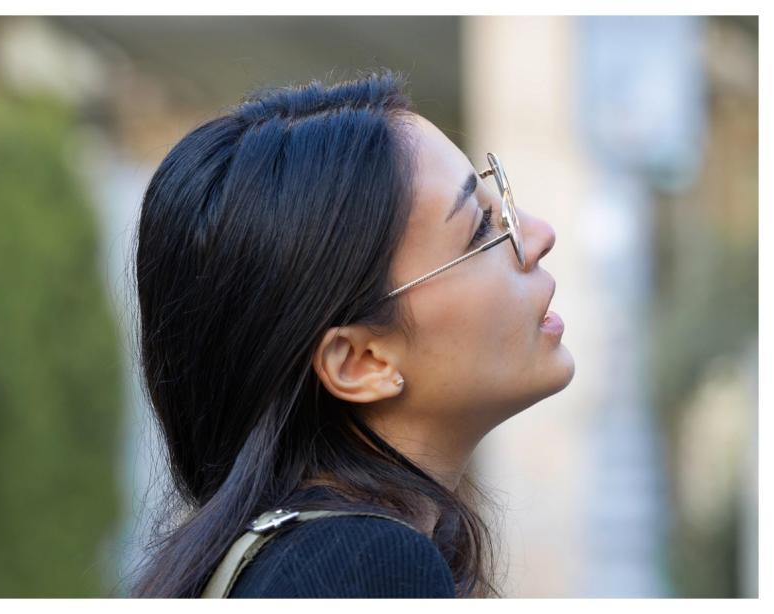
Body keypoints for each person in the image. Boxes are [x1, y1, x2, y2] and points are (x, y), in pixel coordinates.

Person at [130, 68, 574, 598]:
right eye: (480, 228)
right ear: (360, 362)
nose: (540, 233)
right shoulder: (363, 568)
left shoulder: (296, 562)